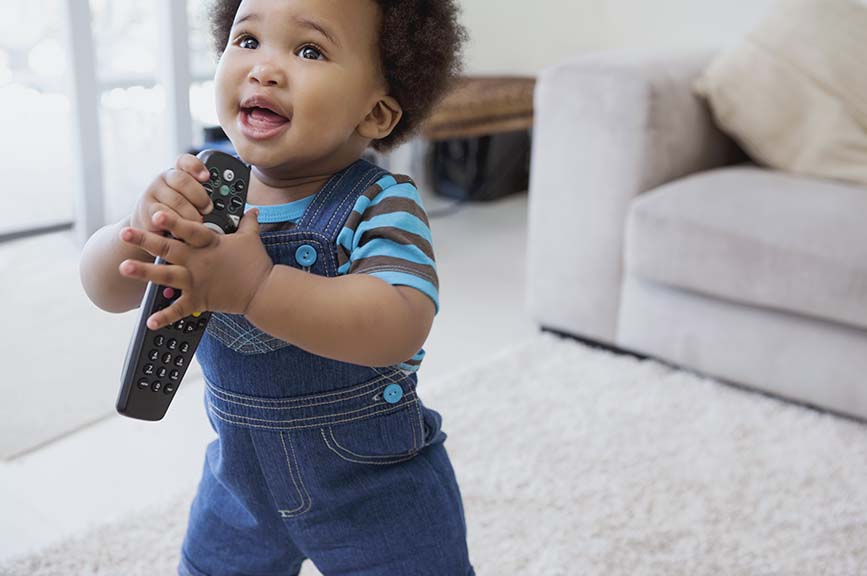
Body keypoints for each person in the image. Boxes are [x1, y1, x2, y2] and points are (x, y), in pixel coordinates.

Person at [78, 0, 474, 574]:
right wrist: (132, 231)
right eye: (246, 41)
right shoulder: (203, 193)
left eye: (309, 50)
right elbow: (104, 289)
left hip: (378, 490)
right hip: (239, 486)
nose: (263, 69)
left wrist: (258, 288)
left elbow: (399, 320)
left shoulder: (381, 202)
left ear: (378, 115)